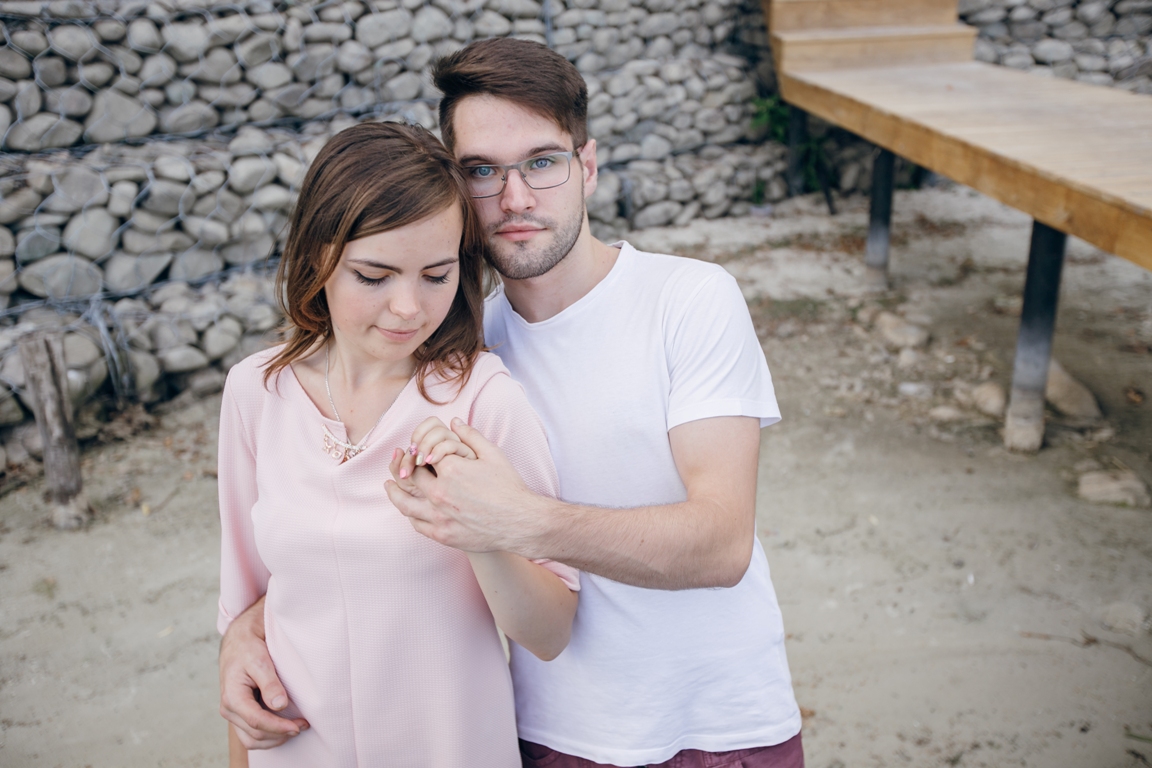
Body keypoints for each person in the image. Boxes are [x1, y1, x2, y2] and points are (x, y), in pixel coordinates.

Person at [220, 38, 804, 768]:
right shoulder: (452, 355)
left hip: (713, 730)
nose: (515, 196)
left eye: (542, 162)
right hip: (545, 734)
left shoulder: (686, 299)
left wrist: (516, 520)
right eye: (482, 171)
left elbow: (721, 544)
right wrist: (246, 633)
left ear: (586, 166)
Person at [216, 120, 579, 767]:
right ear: (316, 258)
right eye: (374, 275)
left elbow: (549, 633)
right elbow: (244, 622)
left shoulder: (484, 402)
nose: (409, 308)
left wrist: (476, 529)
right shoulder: (255, 392)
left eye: (436, 276)